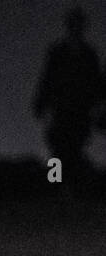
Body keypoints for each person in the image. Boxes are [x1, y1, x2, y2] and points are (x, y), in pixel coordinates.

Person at [34, 6, 104, 189]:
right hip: (60, 108)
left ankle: (71, 186)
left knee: (75, 147)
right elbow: (47, 78)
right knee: (56, 147)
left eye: (79, 25)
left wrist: (99, 106)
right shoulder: (57, 52)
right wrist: (40, 104)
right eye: (73, 24)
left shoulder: (90, 55)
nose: (76, 28)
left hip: (81, 109)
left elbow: (97, 82)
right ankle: (55, 186)